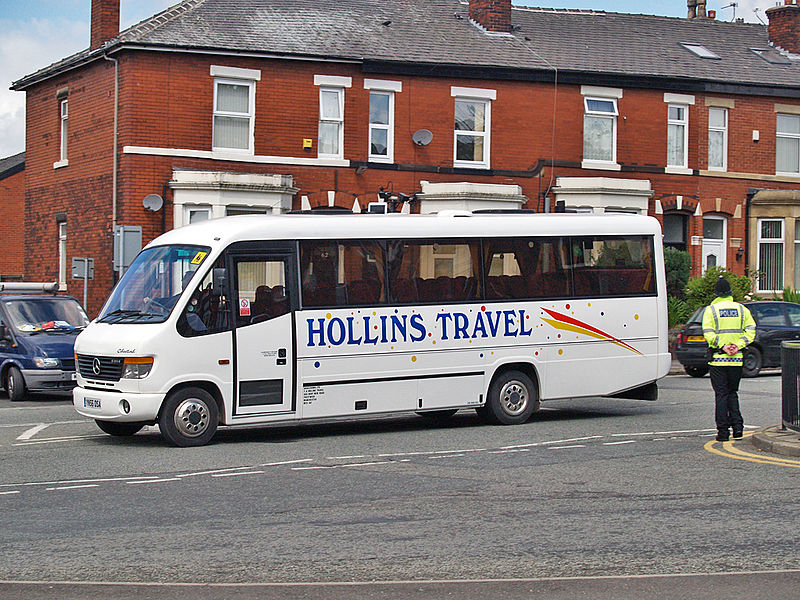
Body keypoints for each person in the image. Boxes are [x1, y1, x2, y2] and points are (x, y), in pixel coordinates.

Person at [702, 277, 756, 442]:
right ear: (730, 293)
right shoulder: (742, 309)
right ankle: (738, 429)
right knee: (733, 393)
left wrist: (723, 346)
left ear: (716, 293)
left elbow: (708, 333)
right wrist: (738, 346)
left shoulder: (711, 310)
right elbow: (751, 331)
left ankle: (723, 432)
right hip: (736, 360)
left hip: (718, 360)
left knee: (721, 395)